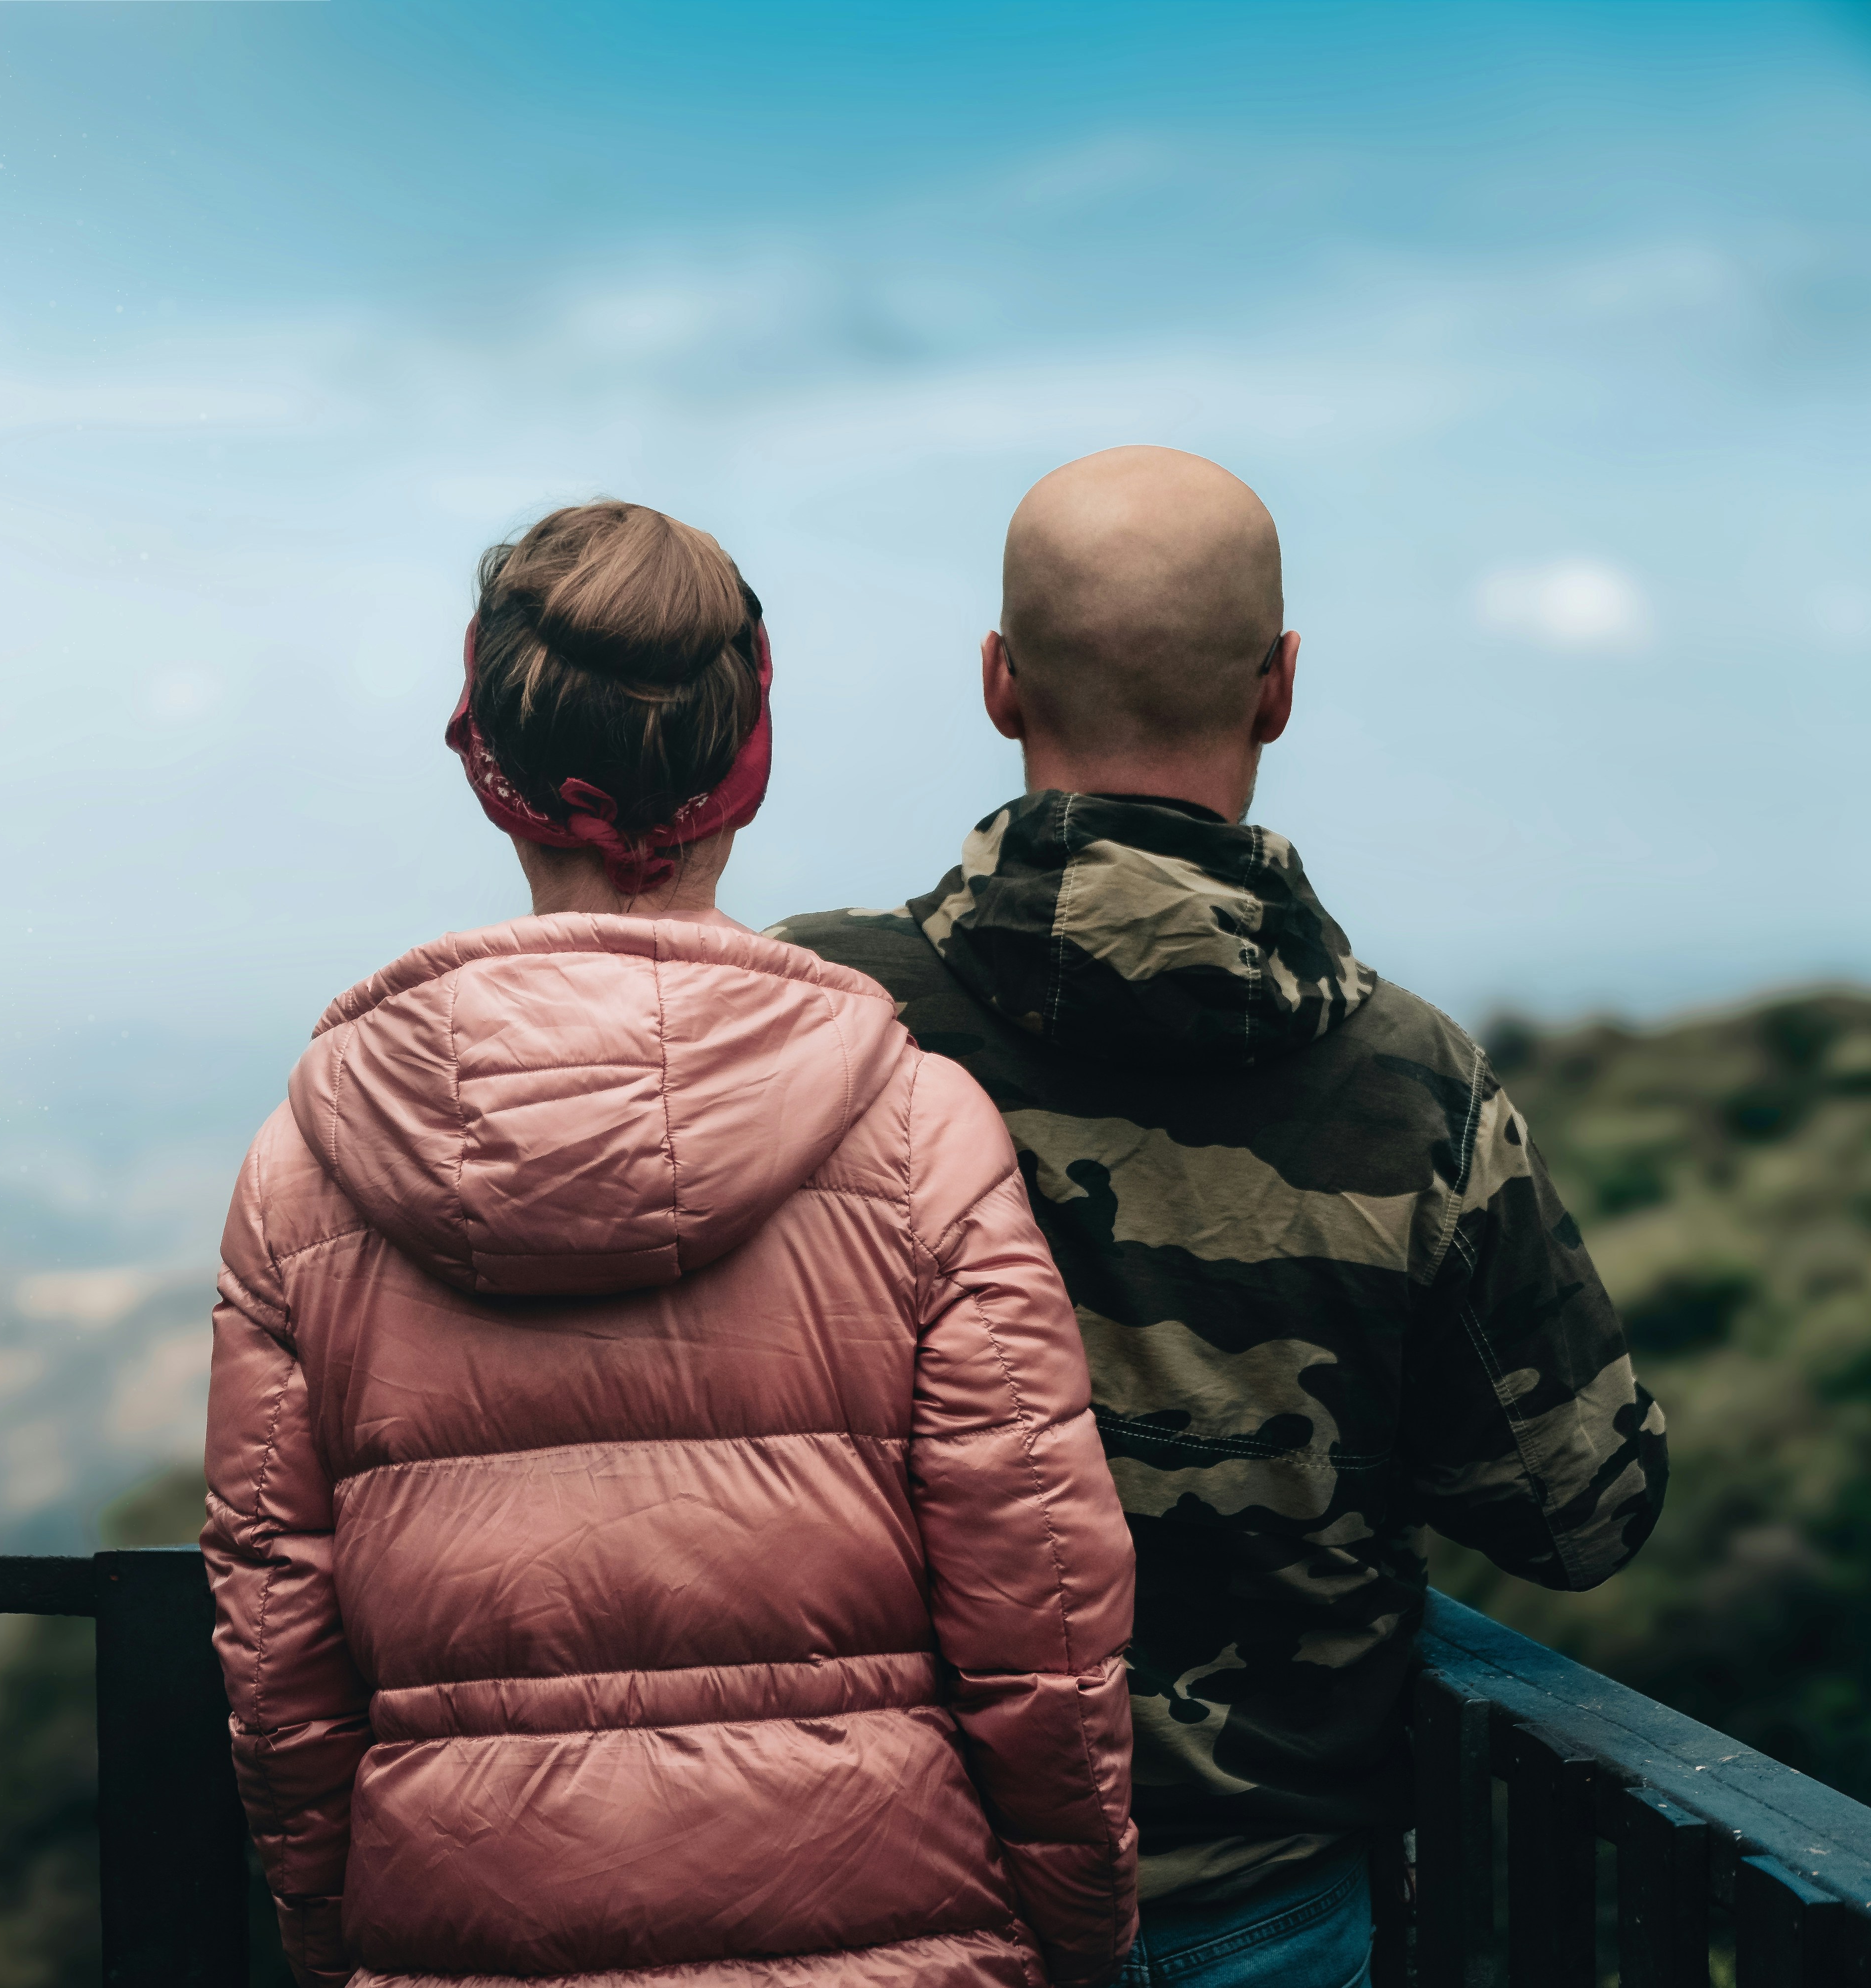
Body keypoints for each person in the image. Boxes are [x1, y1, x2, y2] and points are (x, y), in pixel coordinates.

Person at [201, 500, 1140, 1988]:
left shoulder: (302, 1170)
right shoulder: (918, 1132)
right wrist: (1079, 1935)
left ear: (487, 766)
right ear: (744, 768)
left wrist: (338, 1937)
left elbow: (279, 1656)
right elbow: (1045, 1615)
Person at [770, 447, 1670, 1988]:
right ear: (1281, 688)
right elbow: (1585, 1512)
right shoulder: (1412, 1087)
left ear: (999, 682)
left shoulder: (808, 1020)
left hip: (893, 1899)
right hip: (1265, 1913)